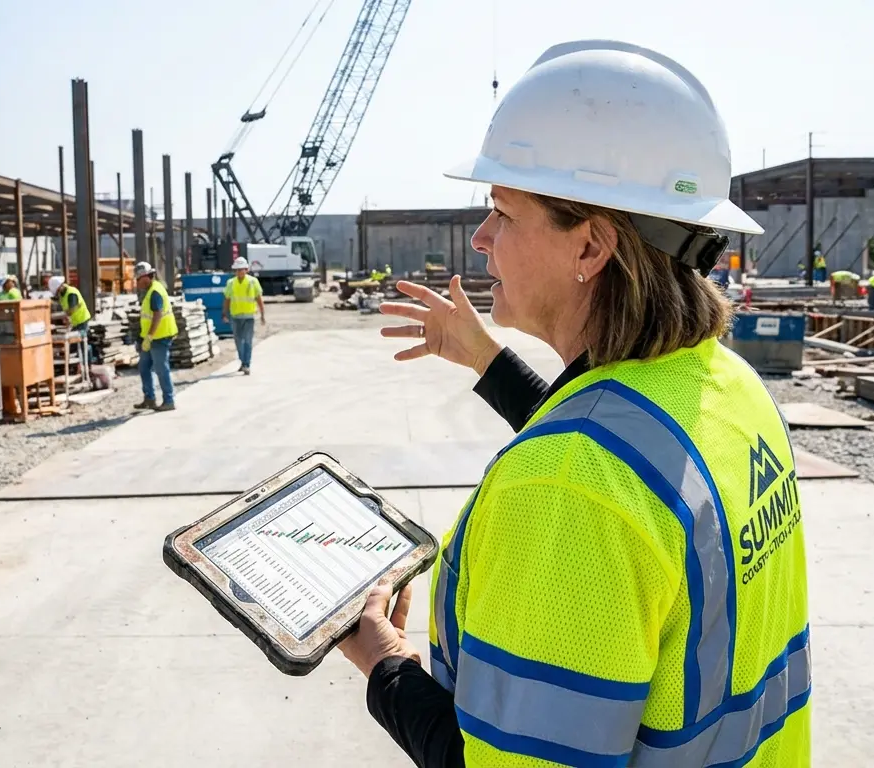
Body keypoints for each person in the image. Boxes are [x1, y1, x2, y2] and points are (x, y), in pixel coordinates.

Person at [338, 41, 810, 767]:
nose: (481, 237)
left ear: (589, 248)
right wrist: (488, 361)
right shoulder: (731, 387)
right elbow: (631, 464)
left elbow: (590, 486)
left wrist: (386, 664)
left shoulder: (563, 489)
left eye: (502, 211)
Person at [132, 261, 177, 411]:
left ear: (145, 277)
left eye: (138, 279)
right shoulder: (149, 291)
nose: (137, 283)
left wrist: (149, 336)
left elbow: (157, 315)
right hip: (150, 338)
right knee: (144, 367)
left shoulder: (155, 291)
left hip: (160, 336)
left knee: (161, 368)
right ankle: (149, 398)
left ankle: (169, 400)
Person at [222, 256, 265, 374]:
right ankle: (243, 361)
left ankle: (246, 364)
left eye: (241, 269)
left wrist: (262, 314)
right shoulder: (231, 283)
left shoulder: (253, 281)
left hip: (249, 317)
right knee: (238, 341)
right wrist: (224, 313)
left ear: (246, 269)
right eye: (237, 270)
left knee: (247, 341)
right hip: (235, 316)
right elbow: (227, 299)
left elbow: (259, 299)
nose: (239, 272)